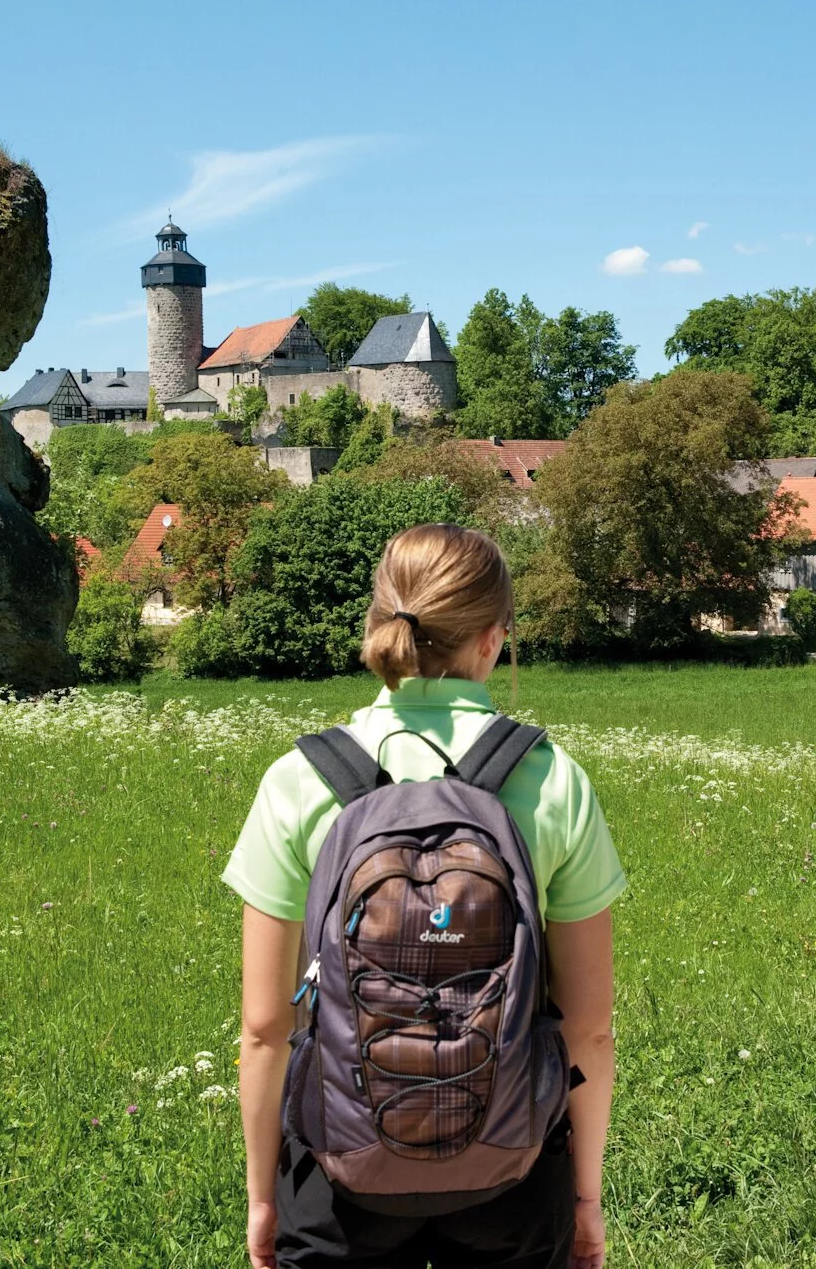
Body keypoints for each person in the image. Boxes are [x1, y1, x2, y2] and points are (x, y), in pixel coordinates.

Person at [224, 524, 627, 1269]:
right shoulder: (552, 778)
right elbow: (590, 1029)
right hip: (512, 1165)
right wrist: (585, 1199)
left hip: (341, 1171)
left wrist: (262, 1197)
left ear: (381, 624)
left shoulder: (302, 778)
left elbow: (261, 1027)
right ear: (492, 638)